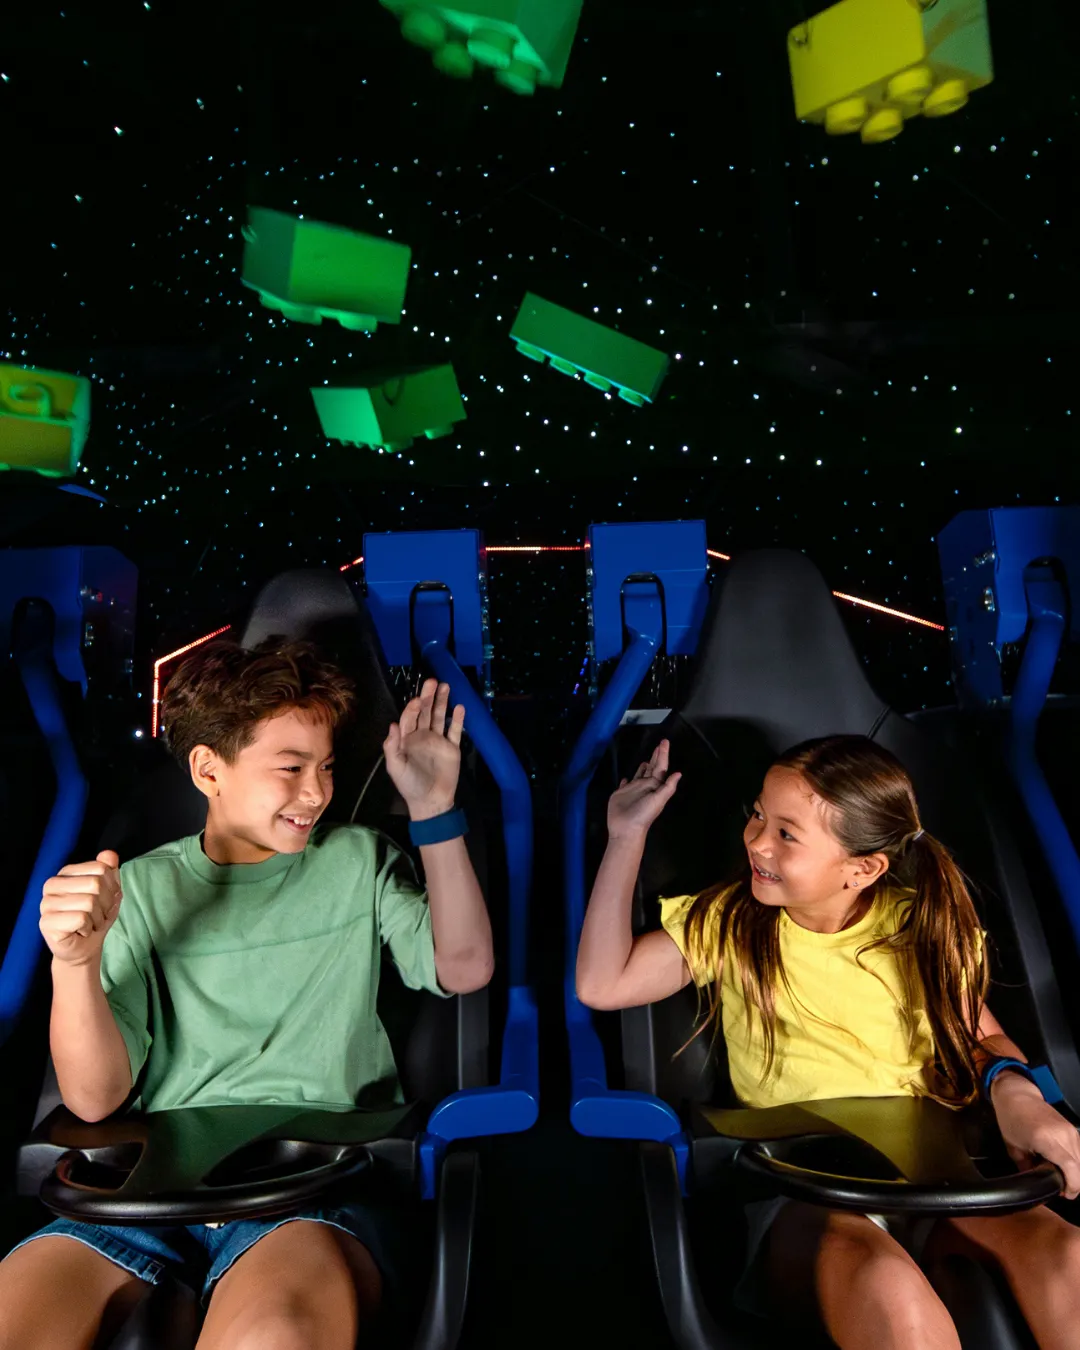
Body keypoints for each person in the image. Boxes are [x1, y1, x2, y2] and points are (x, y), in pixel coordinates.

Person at [0, 637, 494, 1350]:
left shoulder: (358, 862)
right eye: (291, 768)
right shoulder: (136, 890)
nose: (317, 792)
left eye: (326, 767)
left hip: (309, 1189)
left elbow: (465, 966)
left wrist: (434, 808)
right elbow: (94, 1100)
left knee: (275, 1337)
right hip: (149, 1196)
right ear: (209, 769)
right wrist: (74, 963)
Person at [576, 733, 1080, 1350]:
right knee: (893, 1297)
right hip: (806, 1193)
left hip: (931, 1179)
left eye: (787, 834)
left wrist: (1019, 1097)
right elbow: (603, 983)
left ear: (862, 869)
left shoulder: (922, 928)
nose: (757, 841)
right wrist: (626, 835)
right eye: (757, 815)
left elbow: (982, 1038)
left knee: (1069, 1257)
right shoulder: (731, 923)